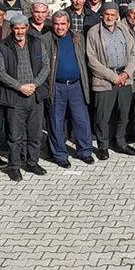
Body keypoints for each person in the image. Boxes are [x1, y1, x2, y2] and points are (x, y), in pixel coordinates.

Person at [0, 12, 49, 182]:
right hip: (14, 97)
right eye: (16, 28)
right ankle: (14, 166)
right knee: (15, 135)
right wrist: (19, 86)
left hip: (35, 94)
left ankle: (32, 162)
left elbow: (46, 66)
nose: (19, 31)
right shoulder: (3, 47)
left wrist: (35, 84)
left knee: (35, 133)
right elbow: (0, 72)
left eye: (22, 28)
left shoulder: (37, 43)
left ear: (27, 27)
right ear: (11, 28)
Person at [86, 5, 135, 158]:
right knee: (103, 116)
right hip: (104, 80)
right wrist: (112, 76)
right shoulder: (94, 32)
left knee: (123, 114)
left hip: (124, 78)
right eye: (107, 14)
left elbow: (133, 55)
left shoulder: (124, 30)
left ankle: (121, 142)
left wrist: (126, 73)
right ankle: (103, 146)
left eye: (112, 15)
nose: (109, 17)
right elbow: (92, 60)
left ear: (117, 16)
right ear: (102, 15)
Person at [45, 11, 95, 165]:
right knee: (56, 121)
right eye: (56, 24)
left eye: (63, 24)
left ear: (68, 24)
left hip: (76, 86)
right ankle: (60, 155)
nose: (59, 27)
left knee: (81, 120)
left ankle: (85, 151)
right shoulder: (45, 40)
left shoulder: (77, 37)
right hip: (56, 86)